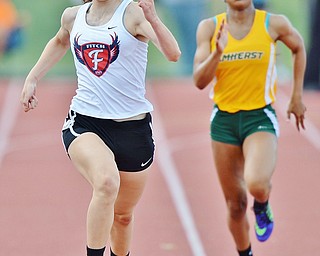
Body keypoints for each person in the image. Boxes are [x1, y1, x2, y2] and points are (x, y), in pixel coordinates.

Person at [20, 0, 181, 256]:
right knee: (106, 183)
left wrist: (153, 17)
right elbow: (60, 40)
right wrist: (33, 77)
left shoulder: (133, 14)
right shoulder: (73, 16)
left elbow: (173, 54)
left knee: (123, 216)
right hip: (86, 123)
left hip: (133, 130)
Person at [193, 0, 306, 255]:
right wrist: (216, 54)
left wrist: (296, 96)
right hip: (223, 121)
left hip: (259, 117)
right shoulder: (209, 28)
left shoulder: (273, 23)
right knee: (235, 205)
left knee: (256, 184)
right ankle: (246, 252)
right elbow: (199, 80)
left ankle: (262, 205)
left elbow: (299, 47)